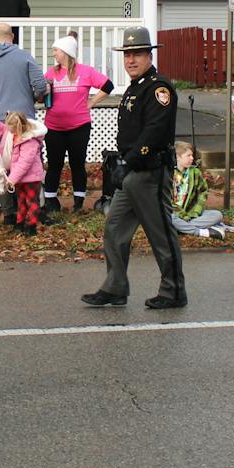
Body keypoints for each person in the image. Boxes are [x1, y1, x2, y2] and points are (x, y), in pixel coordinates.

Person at [82, 27, 186, 310]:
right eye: (127, 54)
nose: (131, 60)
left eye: (137, 54)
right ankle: (115, 288)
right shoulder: (136, 86)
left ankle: (174, 291)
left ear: (149, 55)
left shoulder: (158, 88)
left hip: (150, 172)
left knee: (160, 234)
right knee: (115, 228)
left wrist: (131, 160)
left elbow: (154, 131)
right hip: (132, 173)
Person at [0, 19, 50, 217]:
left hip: (0, 124)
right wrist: (36, 96)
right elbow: (40, 85)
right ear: (13, 37)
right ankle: (34, 210)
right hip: (24, 123)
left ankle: (9, 213)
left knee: (5, 167)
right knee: (30, 164)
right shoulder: (24, 57)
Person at [43, 34, 113, 216]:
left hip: (79, 127)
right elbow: (41, 94)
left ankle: (78, 201)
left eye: (56, 50)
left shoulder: (86, 71)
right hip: (54, 127)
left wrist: (91, 103)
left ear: (66, 52)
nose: (54, 54)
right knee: (54, 165)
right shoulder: (51, 73)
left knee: (77, 164)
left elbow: (108, 85)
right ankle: (51, 201)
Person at [0, 109, 46, 234]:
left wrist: (12, 179)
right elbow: (3, 130)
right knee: (21, 200)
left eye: (11, 129)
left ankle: (32, 225)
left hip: (31, 177)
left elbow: (25, 163)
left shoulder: (30, 140)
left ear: (18, 127)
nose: (9, 132)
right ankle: (20, 222)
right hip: (19, 177)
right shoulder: (15, 133)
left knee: (31, 201)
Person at [170, 140, 231, 239]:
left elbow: (203, 191)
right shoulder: (169, 174)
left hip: (191, 213)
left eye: (192, 155)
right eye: (188, 156)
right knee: (169, 219)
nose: (192, 158)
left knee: (217, 215)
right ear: (178, 157)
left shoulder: (195, 172)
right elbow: (167, 200)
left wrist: (196, 212)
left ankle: (181, 228)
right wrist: (182, 215)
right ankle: (202, 232)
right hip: (174, 214)